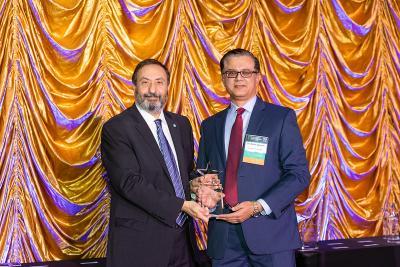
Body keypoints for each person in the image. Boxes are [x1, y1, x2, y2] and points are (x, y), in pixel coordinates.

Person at [194, 49, 311, 267]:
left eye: (246, 72)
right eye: (231, 73)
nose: (239, 78)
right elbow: (203, 174)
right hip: (224, 239)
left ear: (258, 77)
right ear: (222, 78)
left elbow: (299, 175)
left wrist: (258, 206)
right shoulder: (210, 125)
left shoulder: (281, 118)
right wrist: (200, 190)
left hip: (270, 234)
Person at [101, 59, 211, 267]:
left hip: (184, 242)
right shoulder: (117, 128)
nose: (152, 89)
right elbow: (129, 183)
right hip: (141, 244)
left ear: (168, 87)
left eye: (159, 82)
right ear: (134, 87)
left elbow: (185, 174)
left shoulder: (181, 124)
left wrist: (203, 188)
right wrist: (182, 206)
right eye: (145, 82)